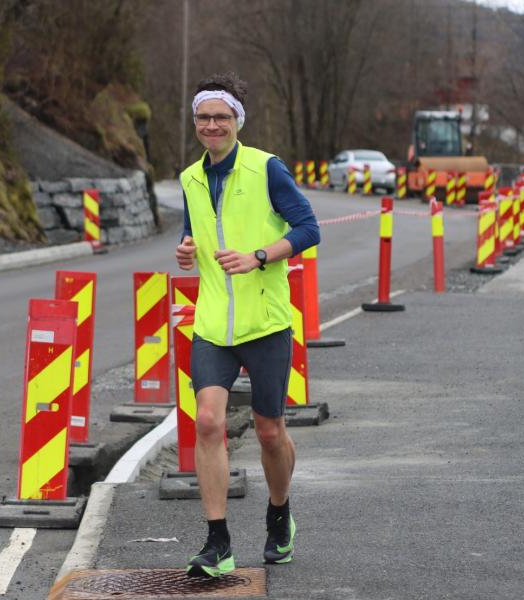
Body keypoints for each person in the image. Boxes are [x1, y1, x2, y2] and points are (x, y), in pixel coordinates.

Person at [175, 71, 320, 578]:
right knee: (208, 422)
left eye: (221, 117)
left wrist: (258, 256)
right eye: (203, 117)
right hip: (213, 324)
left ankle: (279, 514)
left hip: (265, 322)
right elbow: (193, 233)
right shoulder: (189, 179)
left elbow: (308, 228)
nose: (211, 125)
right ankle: (217, 542)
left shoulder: (267, 169)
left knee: (269, 431)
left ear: (238, 120)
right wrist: (186, 252)